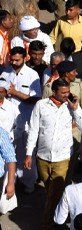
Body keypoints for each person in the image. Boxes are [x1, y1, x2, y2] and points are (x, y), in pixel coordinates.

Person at [25, 78, 82, 230]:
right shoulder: (41, 105)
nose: (67, 95)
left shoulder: (70, 107)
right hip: (43, 157)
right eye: (64, 92)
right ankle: (59, 212)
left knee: (54, 194)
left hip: (63, 157)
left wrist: (76, 108)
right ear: (54, 92)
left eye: (68, 92)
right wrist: (28, 154)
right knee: (50, 192)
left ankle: (47, 225)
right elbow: (33, 130)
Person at [41, 59, 82, 178]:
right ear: (66, 74)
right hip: (54, 132)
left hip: (74, 132)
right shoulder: (50, 88)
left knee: (70, 167)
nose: (76, 74)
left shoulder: (79, 85)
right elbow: (42, 112)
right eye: (73, 71)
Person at [2, 46, 41, 194]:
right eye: (12, 59)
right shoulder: (5, 74)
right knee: (8, 153)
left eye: (17, 60)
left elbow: (35, 99)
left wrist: (15, 93)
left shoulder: (32, 75)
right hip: (7, 122)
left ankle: (29, 182)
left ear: (25, 58)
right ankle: (10, 181)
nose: (14, 62)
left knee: (26, 153)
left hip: (25, 121)